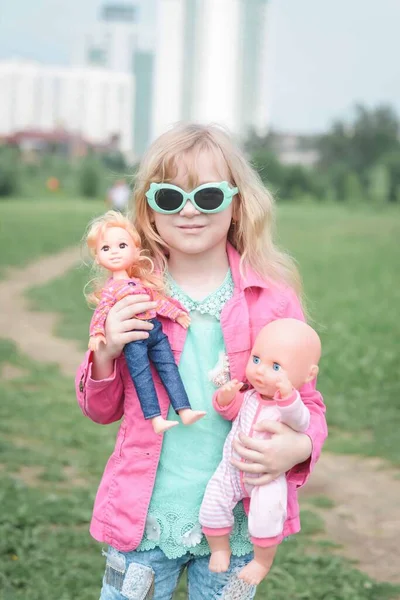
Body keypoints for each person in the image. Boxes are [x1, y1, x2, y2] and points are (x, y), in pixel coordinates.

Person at [75, 122, 328, 600]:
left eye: (208, 197)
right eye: (171, 198)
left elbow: (309, 406)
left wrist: (297, 448)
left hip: (235, 523)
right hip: (147, 515)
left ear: (236, 204)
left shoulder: (272, 300)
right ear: (149, 208)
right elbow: (100, 410)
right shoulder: (131, 296)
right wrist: (105, 353)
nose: (190, 211)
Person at [199, 318, 321, 585]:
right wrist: (226, 397)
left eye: (275, 367)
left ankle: (262, 561)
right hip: (231, 471)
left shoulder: (290, 406)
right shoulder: (251, 396)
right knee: (212, 504)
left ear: (308, 375)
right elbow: (228, 411)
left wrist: (288, 398)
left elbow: (302, 421)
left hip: (266, 477)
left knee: (267, 517)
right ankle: (219, 547)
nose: (260, 371)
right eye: (256, 359)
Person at [84, 210, 206, 434]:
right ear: (98, 257)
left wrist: (176, 314)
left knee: (169, 369)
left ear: (135, 249)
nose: (114, 253)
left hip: (156, 333)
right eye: (105, 248)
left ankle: (184, 409)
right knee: (143, 377)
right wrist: (97, 334)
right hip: (134, 340)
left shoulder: (140, 284)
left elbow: (156, 303)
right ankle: (155, 418)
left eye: (122, 246)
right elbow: (100, 314)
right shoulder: (111, 291)